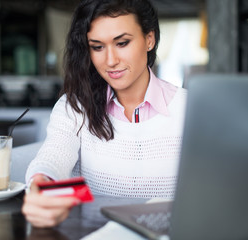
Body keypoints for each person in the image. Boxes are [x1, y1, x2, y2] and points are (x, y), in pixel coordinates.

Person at [22, 0, 187, 228]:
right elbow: (53, 156)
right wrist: (41, 184)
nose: (110, 61)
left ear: (149, 39)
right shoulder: (75, 106)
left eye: (122, 43)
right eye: (97, 47)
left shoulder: (191, 108)